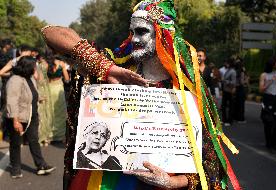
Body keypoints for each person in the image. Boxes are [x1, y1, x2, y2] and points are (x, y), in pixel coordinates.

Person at [42, 0, 240, 189]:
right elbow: (49, 32)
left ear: (162, 35)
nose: (134, 39)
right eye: (131, 32)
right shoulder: (116, 71)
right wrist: (106, 68)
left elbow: (209, 164)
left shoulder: (185, 89)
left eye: (142, 31)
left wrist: (173, 182)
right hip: (107, 181)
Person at [5, 56, 55, 178]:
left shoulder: (29, 78)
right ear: (27, 67)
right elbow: (12, 101)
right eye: (34, 66)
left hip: (32, 115)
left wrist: (39, 98)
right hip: (18, 117)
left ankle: (41, 165)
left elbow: (30, 94)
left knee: (34, 140)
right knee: (16, 143)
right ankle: (16, 169)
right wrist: (15, 121)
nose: (35, 68)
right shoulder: (15, 80)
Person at [259, 55, 276, 152]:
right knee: (269, 122)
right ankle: (269, 144)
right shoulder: (264, 75)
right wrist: (269, 82)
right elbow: (261, 89)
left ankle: (274, 143)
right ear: (273, 65)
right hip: (267, 98)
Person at [47, 55, 69, 142]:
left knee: (49, 111)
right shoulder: (61, 64)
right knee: (60, 112)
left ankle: (49, 135)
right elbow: (67, 79)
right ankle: (60, 136)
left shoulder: (45, 64)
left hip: (49, 88)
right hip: (58, 88)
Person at [35, 54, 53, 145]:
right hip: (46, 88)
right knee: (46, 112)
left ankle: (42, 136)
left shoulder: (38, 66)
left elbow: (40, 80)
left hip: (41, 88)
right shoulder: (47, 64)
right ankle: (46, 136)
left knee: (41, 112)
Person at [221, 57, 236, 127]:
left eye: (227, 63)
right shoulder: (228, 70)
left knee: (230, 106)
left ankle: (229, 120)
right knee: (223, 106)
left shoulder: (233, 71)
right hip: (225, 90)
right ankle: (224, 119)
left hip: (230, 91)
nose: (225, 64)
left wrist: (225, 81)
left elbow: (233, 82)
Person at [234, 58, 247, 123]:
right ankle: (241, 118)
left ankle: (236, 117)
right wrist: (246, 80)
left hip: (236, 89)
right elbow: (242, 82)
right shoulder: (242, 72)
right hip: (241, 89)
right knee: (241, 104)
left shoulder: (235, 71)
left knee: (236, 103)